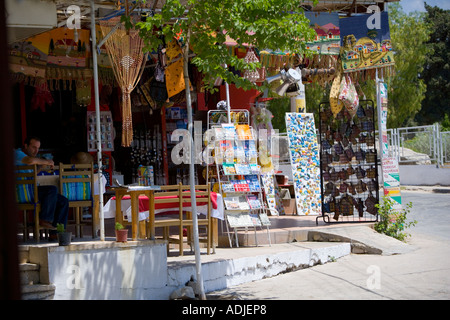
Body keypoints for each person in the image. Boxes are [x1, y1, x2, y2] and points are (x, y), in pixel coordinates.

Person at [15, 136, 69, 241]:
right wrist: (46, 162)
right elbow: (30, 161)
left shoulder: (25, 158)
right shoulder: (17, 154)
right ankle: (44, 219)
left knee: (63, 201)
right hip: (22, 192)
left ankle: (55, 233)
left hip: (30, 191)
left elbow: (32, 174)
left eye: (38, 148)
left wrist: (41, 167)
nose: (36, 151)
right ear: (25, 146)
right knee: (51, 190)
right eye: (34, 147)